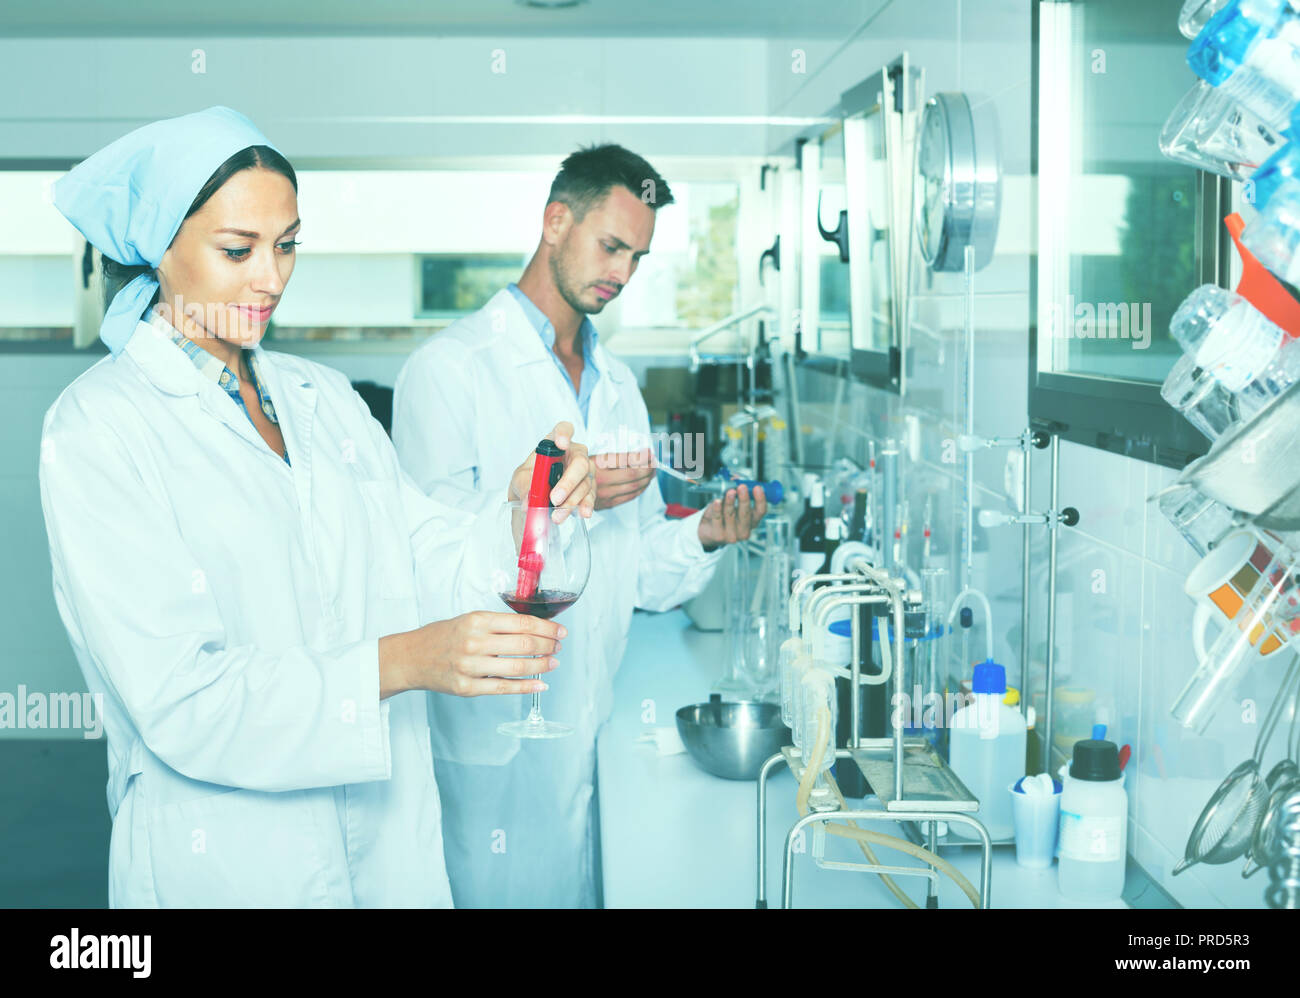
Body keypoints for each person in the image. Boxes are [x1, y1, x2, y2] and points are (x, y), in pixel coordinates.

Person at [39, 106, 596, 908]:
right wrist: (402, 662)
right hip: (227, 859)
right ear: (161, 248)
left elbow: (419, 555)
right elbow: (184, 699)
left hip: (388, 845)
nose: (271, 279)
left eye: (288, 244)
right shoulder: (98, 427)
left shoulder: (321, 399)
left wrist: (528, 513)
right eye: (238, 250)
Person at [392, 143, 767, 907]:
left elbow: (632, 568)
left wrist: (701, 535)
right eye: (612, 246)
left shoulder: (618, 387)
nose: (623, 273)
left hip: (586, 711)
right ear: (556, 221)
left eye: (640, 256)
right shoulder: (450, 369)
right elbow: (430, 566)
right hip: (493, 725)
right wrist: (564, 503)